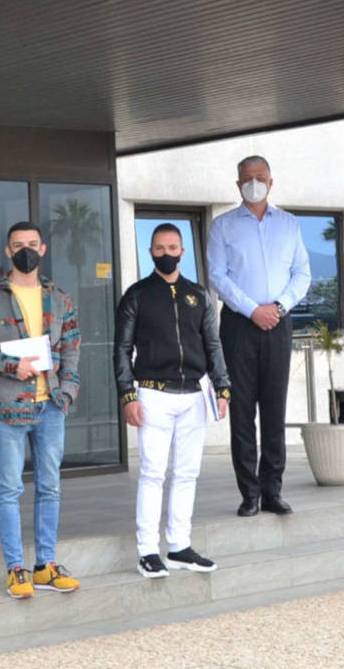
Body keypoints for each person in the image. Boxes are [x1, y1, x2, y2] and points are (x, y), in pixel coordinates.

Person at [0, 221, 82, 599]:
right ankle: (15, 569)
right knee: (10, 488)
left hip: (51, 406)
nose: (25, 250)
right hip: (9, 406)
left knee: (50, 487)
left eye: (32, 243)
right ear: (7, 251)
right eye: (17, 245)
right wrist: (12, 366)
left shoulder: (59, 297)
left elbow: (72, 347)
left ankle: (45, 565)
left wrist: (68, 391)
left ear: (43, 249)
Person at [116, 223, 233, 578]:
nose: (166, 253)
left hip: (194, 395)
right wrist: (127, 394)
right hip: (152, 393)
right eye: (159, 248)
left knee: (187, 473)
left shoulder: (198, 295)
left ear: (182, 251)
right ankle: (148, 550)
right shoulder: (137, 295)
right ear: (150, 252)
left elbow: (213, 344)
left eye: (172, 247)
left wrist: (223, 387)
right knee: (152, 472)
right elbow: (122, 349)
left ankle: (180, 546)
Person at [206, 155, 311, 517]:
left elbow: (302, 273)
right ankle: (249, 493)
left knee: (274, 409)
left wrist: (278, 307)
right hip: (239, 324)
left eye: (260, 176)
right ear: (238, 184)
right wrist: (253, 309)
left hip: (278, 323)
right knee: (241, 411)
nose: (254, 183)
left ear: (271, 181)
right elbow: (217, 276)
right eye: (247, 178)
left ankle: (272, 491)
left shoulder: (289, 224)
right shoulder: (222, 226)